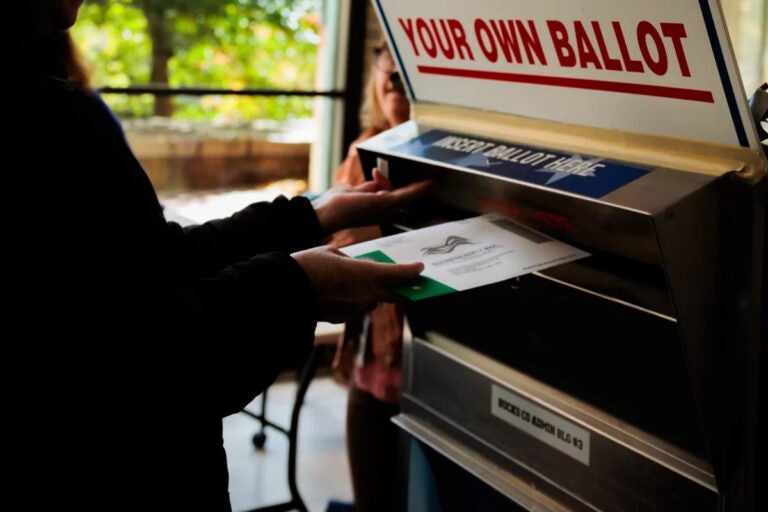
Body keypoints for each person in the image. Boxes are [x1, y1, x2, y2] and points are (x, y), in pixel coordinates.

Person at [2, 2, 432, 511]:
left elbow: (154, 259)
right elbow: (102, 360)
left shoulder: (40, 103)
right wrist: (297, 286)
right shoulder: (24, 123)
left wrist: (310, 217)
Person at [326, 40, 412, 512]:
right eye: (387, 67)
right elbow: (336, 238)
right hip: (373, 365)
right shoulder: (365, 149)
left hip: (422, 369)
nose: (394, 80)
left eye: (406, 72)